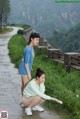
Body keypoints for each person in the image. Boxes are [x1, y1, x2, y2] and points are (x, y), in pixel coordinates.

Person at [19, 32, 40, 96]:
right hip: (25, 70)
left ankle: (23, 100)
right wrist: (28, 73)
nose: (38, 41)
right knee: (27, 87)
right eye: (36, 40)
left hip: (25, 68)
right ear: (32, 39)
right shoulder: (28, 49)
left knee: (23, 85)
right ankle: (26, 103)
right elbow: (26, 63)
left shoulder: (30, 47)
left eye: (38, 40)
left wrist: (31, 68)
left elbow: (28, 60)